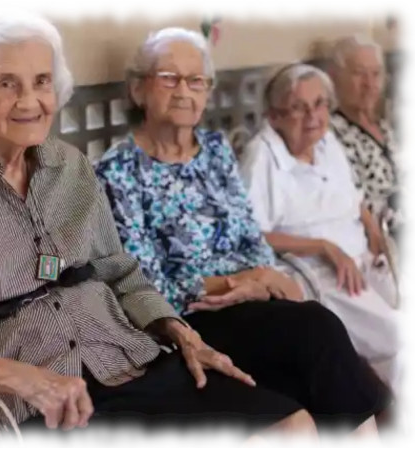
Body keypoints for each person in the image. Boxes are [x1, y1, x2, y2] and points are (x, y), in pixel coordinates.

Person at [0, 9, 323, 438]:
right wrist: (16, 376)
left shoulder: (70, 165)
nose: (29, 101)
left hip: (124, 357)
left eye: (41, 82)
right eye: (7, 84)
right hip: (33, 399)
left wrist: (177, 329)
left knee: (293, 425)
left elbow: (120, 273)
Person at [95, 27, 390, 434]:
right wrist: (241, 281)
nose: (184, 91)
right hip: (191, 321)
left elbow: (251, 235)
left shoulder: (215, 150)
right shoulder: (117, 172)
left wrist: (263, 277)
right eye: (169, 78)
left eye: (196, 80)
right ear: (138, 90)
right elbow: (146, 286)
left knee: (312, 361)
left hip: (252, 304)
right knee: (317, 327)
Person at [238, 63, 401, 394]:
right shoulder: (261, 157)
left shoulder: (327, 142)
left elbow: (352, 197)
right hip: (320, 272)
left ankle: (382, 395)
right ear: (274, 117)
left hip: (362, 258)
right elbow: (249, 235)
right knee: (397, 336)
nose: (312, 116)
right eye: (298, 107)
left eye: (319, 104)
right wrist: (324, 247)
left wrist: (373, 229)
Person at [328, 35, 401, 236]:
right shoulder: (331, 134)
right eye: (359, 74)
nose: (369, 84)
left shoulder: (383, 126)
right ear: (334, 77)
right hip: (382, 234)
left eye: (376, 74)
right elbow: (352, 203)